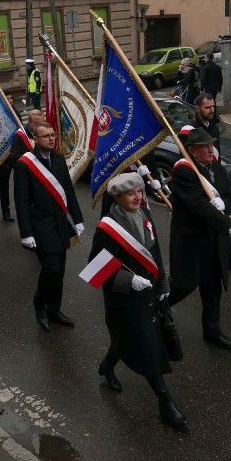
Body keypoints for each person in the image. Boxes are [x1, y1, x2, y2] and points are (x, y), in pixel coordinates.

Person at [90, 172, 187, 431]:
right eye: (131, 193)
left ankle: (106, 366)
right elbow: (95, 268)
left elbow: (153, 253)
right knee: (147, 346)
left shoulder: (145, 215)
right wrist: (127, 281)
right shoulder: (108, 227)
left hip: (149, 294)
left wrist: (163, 285)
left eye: (139, 191)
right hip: (124, 300)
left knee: (128, 341)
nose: (138, 196)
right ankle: (165, 403)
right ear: (117, 197)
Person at [168, 128, 231, 351]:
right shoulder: (185, 172)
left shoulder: (218, 169)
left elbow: (228, 199)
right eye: (205, 146)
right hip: (192, 242)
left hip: (214, 240)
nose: (211, 149)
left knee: (212, 288)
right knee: (183, 286)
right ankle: (154, 311)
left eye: (211, 145)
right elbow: (198, 207)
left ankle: (212, 331)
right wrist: (229, 224)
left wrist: (225, 207)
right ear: (192, 151)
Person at [14, 121, 84, 330]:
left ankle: (54, 309)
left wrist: (78, 218)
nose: (52, 139)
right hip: (40, 226)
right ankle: (39, 304)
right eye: (46, 136)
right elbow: (21, 202)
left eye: (53, 135)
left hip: (60, 223)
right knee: (51, 268)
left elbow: (68, 192)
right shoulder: (24, 164)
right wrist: (26, 233)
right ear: (35, 139)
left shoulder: (58, 159)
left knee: (60, 270)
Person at [191, 92, 231, 268]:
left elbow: (215, 151)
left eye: (213, 106)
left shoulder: (213, 125)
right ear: (197, 109)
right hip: (203, 180)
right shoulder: (192, 130)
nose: (212, 110)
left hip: (216, 174)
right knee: (212, 219)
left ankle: (228, 255)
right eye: (207, 107)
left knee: (223, 213)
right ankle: (222, 256)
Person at [0, 106, 42, 222]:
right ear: (30, 122)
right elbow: (14, 155)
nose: (40, 125)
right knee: (8, 187)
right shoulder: (20, 135)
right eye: (37, 123)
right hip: (11, 163)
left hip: (34, 170)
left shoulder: (41, 131)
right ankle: (6, 209)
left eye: (41, 122)